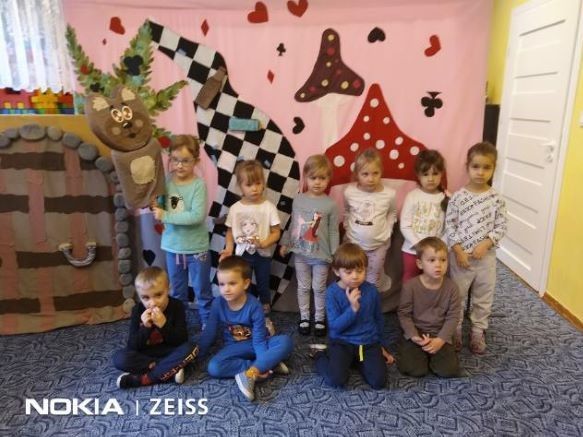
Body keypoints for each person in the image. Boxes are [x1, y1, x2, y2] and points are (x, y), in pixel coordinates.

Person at [197, 256, 293, 402]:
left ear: (246, 283)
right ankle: (269, 364)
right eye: (222, 284)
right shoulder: (218, 304)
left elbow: (259, 340)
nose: (226, 289)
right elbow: (209, 333)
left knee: (285, 341)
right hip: (234, 346)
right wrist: (195, 354)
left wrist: (260, 363)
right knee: (214, 367)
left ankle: (252, 372)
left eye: (232, 283)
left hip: (257, 343)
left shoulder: (254, 306)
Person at [445, 142, 507, 355]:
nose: (480, 172)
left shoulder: (497, 199)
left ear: (494, 168)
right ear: (467, 167)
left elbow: (501, 226)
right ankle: (455, 329)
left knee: (484, 296)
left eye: (486, 167)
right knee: (457, 295)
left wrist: (486, 243)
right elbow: (450, 226)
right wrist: (458, 250)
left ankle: (478, 331)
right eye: (476, 166)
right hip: (460, 258)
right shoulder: (458, 197)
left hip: (485, 260)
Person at [314, 243, 394, 389]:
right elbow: (335, 327)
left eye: (360, 271)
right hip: (342, 342)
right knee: (336, 380)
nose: (355, 276)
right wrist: (352, 309)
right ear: (337, 271)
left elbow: (378, 319)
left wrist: (382, 346)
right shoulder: (332, 293)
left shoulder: (371, 291)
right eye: (348, 272)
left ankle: (356, 361)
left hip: (368, 343)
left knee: (378, 382)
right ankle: (320, 355)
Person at [152, 135, 213, 327]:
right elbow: (160, 208)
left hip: (197, 249)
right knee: (177, 292)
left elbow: (196, 216)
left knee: (202, 290)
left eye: (185, 161)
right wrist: (156, 205)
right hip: (173, 247)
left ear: (196, 161)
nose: (179, 165)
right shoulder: (166, 182)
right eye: (175, 160)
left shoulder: (198, 185)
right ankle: (179, 324)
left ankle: (207, 323)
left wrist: (165, 215)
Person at [280, 155, 339, 337]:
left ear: (328, 179)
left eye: (322, 178)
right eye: (313, 178)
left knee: (319, 288)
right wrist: (286, 243)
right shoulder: (298, 200)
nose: (318, 182)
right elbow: (294, 225)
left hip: (321, 256)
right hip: (300, 253)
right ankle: (304, 317)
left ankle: (320, 318)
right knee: (304, 287)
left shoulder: (330, 204)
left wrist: (335, 253)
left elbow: (333, 231)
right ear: (305, 177)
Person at [113, 267, 199, 389]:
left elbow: (181, 340)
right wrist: (145, 327)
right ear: (139, 296)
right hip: (146, 355)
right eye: (145, 298)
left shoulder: (177, 306)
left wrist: (163, 325)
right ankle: (169, 370)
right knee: (120, 358)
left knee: (192, 348)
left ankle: (143, 379)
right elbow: (132, 346)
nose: (152, 303)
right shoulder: (137, 310)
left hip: (170, 351)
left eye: (158, 295)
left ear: (168, 289)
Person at [219, 160, 281, 315]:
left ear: (263, 183)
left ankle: (265, 308)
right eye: (249, 184)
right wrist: (229, 249)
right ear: (240, 186)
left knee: (263, 283)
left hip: (263, 255)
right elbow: (230, 232)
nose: (254, 188)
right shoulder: (235, 208)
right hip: (242, 255)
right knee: (242, 284)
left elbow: (276, 232)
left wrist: (264, 243)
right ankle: (244, 309)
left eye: (258, 183)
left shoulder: (269, 207)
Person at [397, 237, 461, 378]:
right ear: (420, 264)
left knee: (448, 371)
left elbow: (453, 317)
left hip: (439, 333)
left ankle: (433, 354)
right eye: (432, 260)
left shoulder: (452, 288)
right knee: (415, 370)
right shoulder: (410, 287)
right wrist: (413, 335)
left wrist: (441, 339)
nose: (438, 265)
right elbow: (404, 314)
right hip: (417, 332)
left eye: (443, 260)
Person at [343, 148, 397, 291]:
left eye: (375, 173)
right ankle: (353, 303)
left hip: (378, 246)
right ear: (357, 174)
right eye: (365, 174)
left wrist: (388, 230)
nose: (371, 179)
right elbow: (347, 211)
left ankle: (370, 303)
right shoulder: (349, 192)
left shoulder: (389, 194)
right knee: (354, 278)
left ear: (381, 172)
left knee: (372, 281)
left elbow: (392, 213)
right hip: (354, 245)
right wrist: (347, 228)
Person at [400, 150, 449, 284]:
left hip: (436, 253)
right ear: (418, 175)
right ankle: (408, 299)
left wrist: (440, 247)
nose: (431, 179)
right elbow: (405, 225)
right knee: (410, 280)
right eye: (426, 174)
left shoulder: (446, 197)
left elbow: (450, 226)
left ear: (441, 173)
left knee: (434, 281)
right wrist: (418, 245)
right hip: (412, 250)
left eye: (435, 173)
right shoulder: (412, 196)